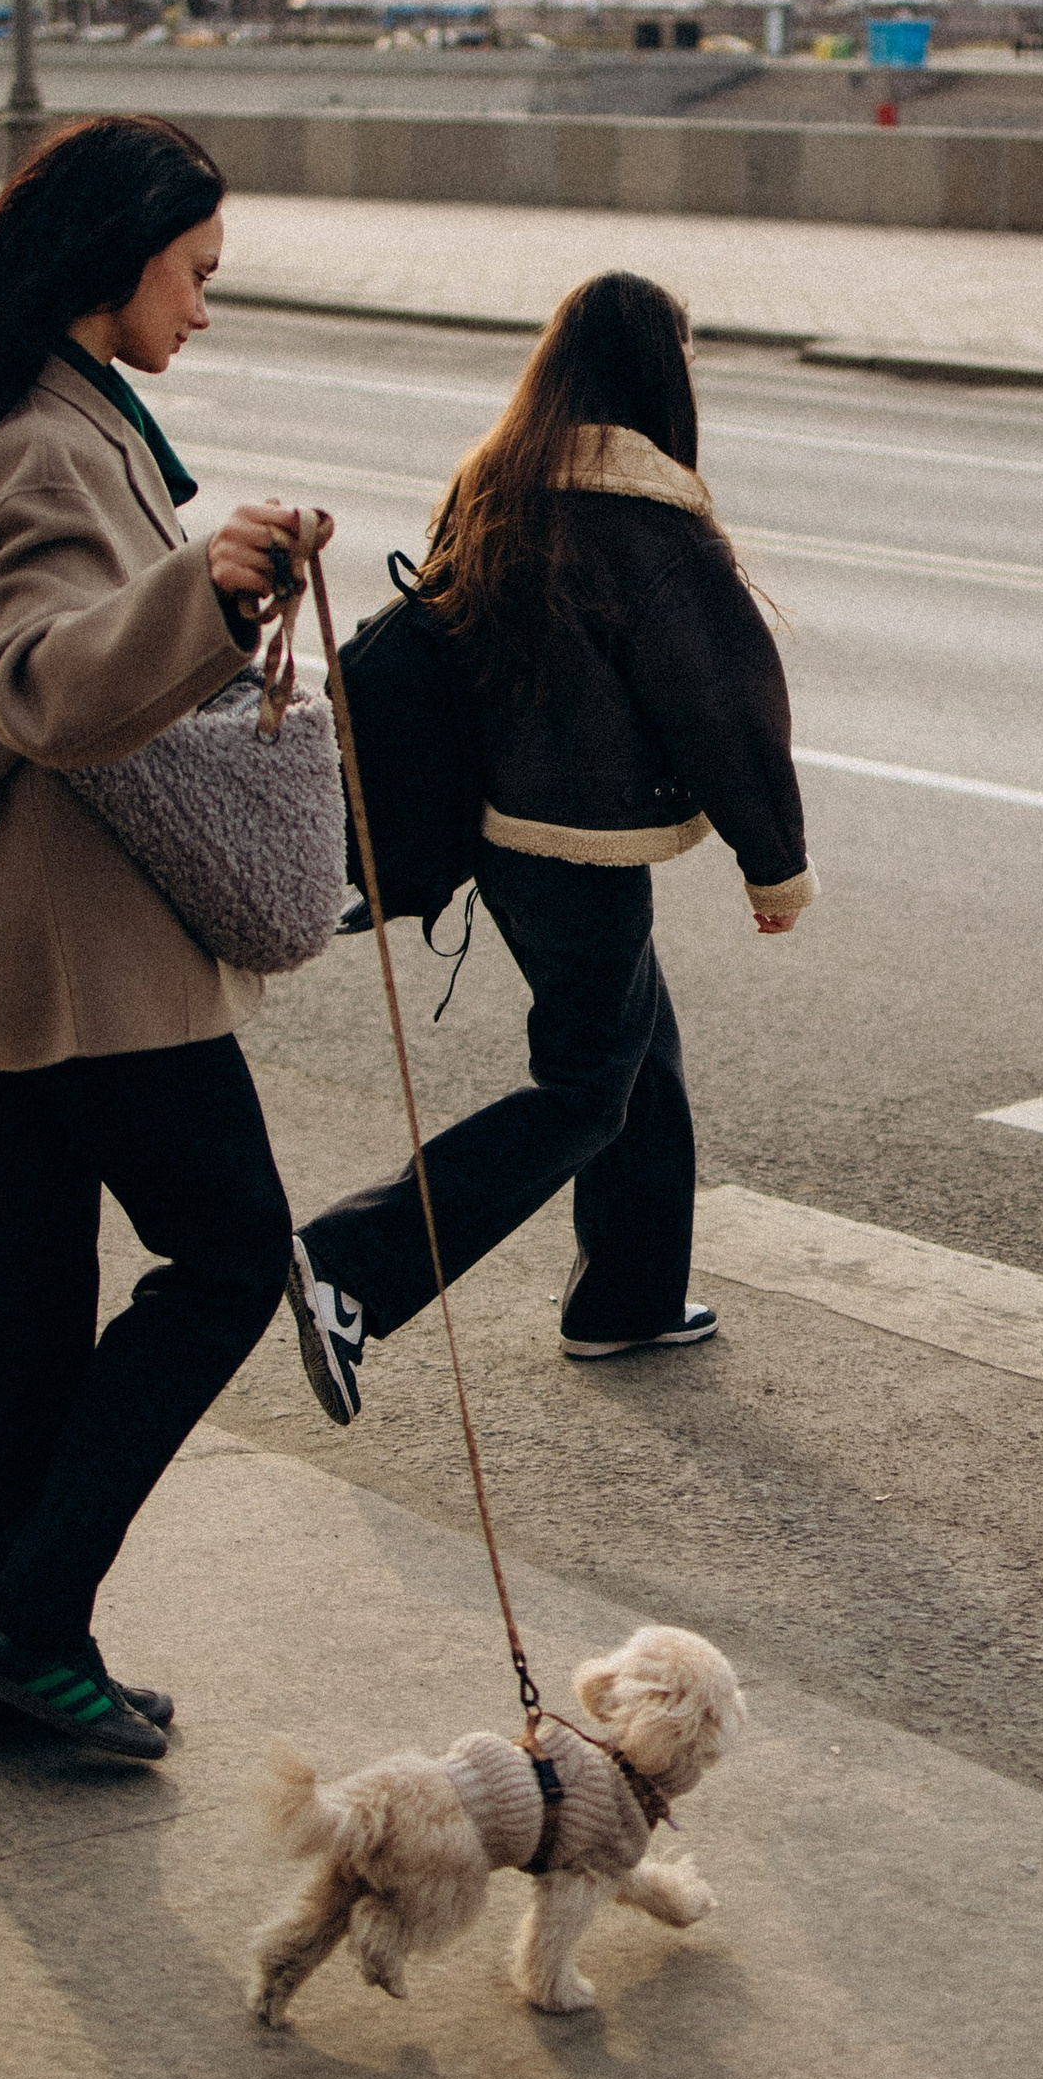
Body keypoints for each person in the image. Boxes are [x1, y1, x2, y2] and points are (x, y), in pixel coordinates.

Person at [0, 115, 324, 1762]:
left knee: (23, 1316)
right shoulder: (45, 444)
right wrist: (214, 588)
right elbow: (52, 685)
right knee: (234, 1259)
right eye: (193, 275)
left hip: (0, 951)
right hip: (89, 962)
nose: (203, 308)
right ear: (112, 261)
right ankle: (29, 1615)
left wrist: (198, 587)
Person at [287, 269, 814, 1426]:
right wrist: (772, 864)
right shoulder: (648, 521)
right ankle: (351, 1268)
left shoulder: (495, 486)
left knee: (639, 1052)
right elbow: (722, 704)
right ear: (658, 379)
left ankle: (625, 1297)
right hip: (580, 846)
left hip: (496, 841)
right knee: (584, 1087)